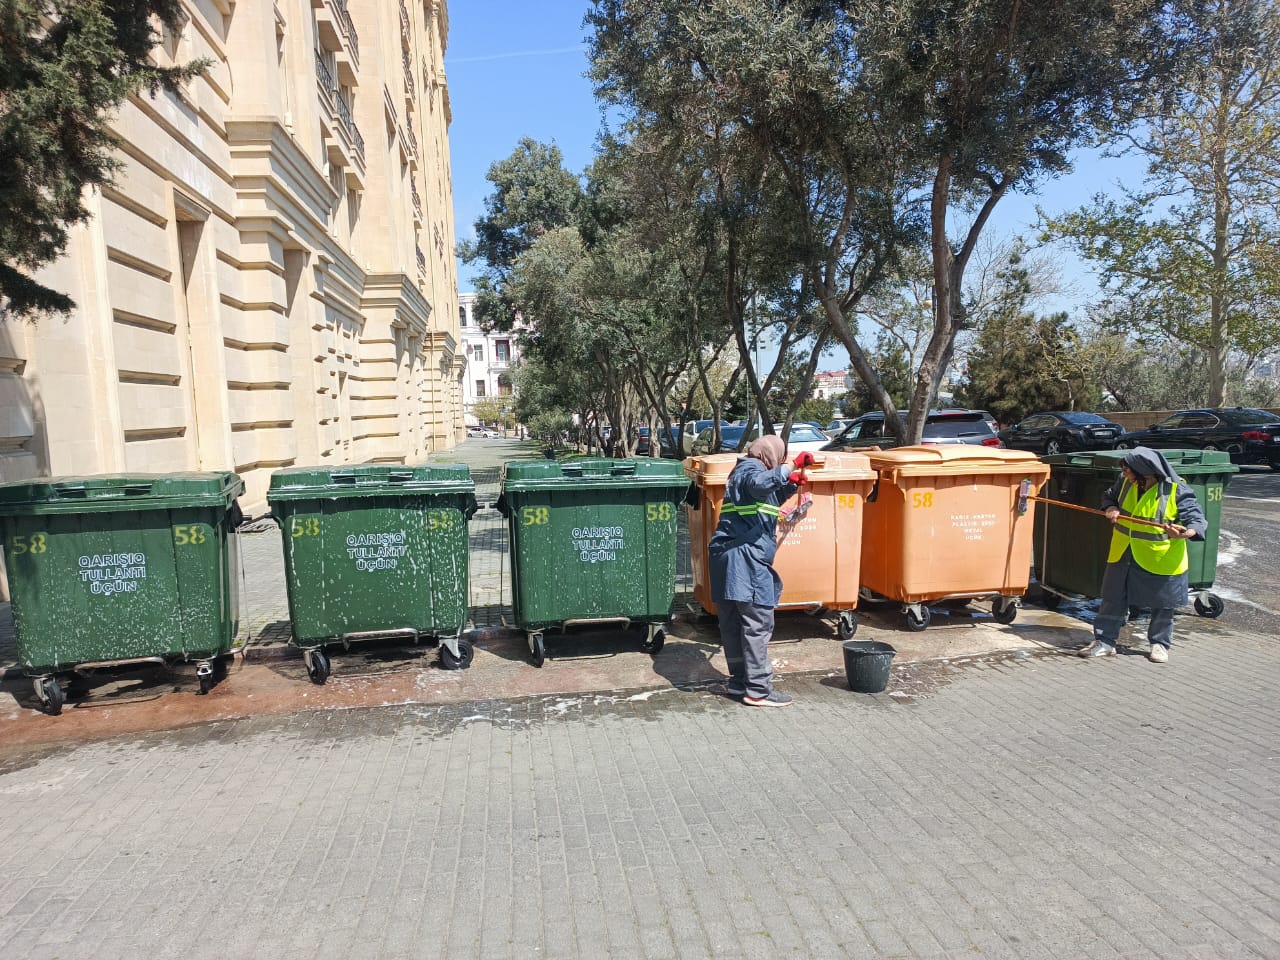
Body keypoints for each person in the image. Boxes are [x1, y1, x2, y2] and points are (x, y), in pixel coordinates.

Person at [708, 435, 815, 706]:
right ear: (770, 455)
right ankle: (758, 690)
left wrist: (789, 485)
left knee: (733, 624)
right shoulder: (751, 468)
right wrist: (791, 466)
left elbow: (762, 499)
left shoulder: (742, 472)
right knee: (757, 623)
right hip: (745, 560)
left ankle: (739, 682)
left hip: (726, 558)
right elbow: (759, 485)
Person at [1078, 447, 1206, 663]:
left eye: (1128, 470)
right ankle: (1105, 642)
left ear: (1145, 471)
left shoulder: (1176, 489)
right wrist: (1110, 508)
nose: (1124, 473)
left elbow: (1195, 519)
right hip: (1123, 552)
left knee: (1163, 604)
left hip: (1160, 557)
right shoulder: (1124, 482)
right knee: (1112, 598)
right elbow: (1108, 497)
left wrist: (1186, 532)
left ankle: (1159, 644)